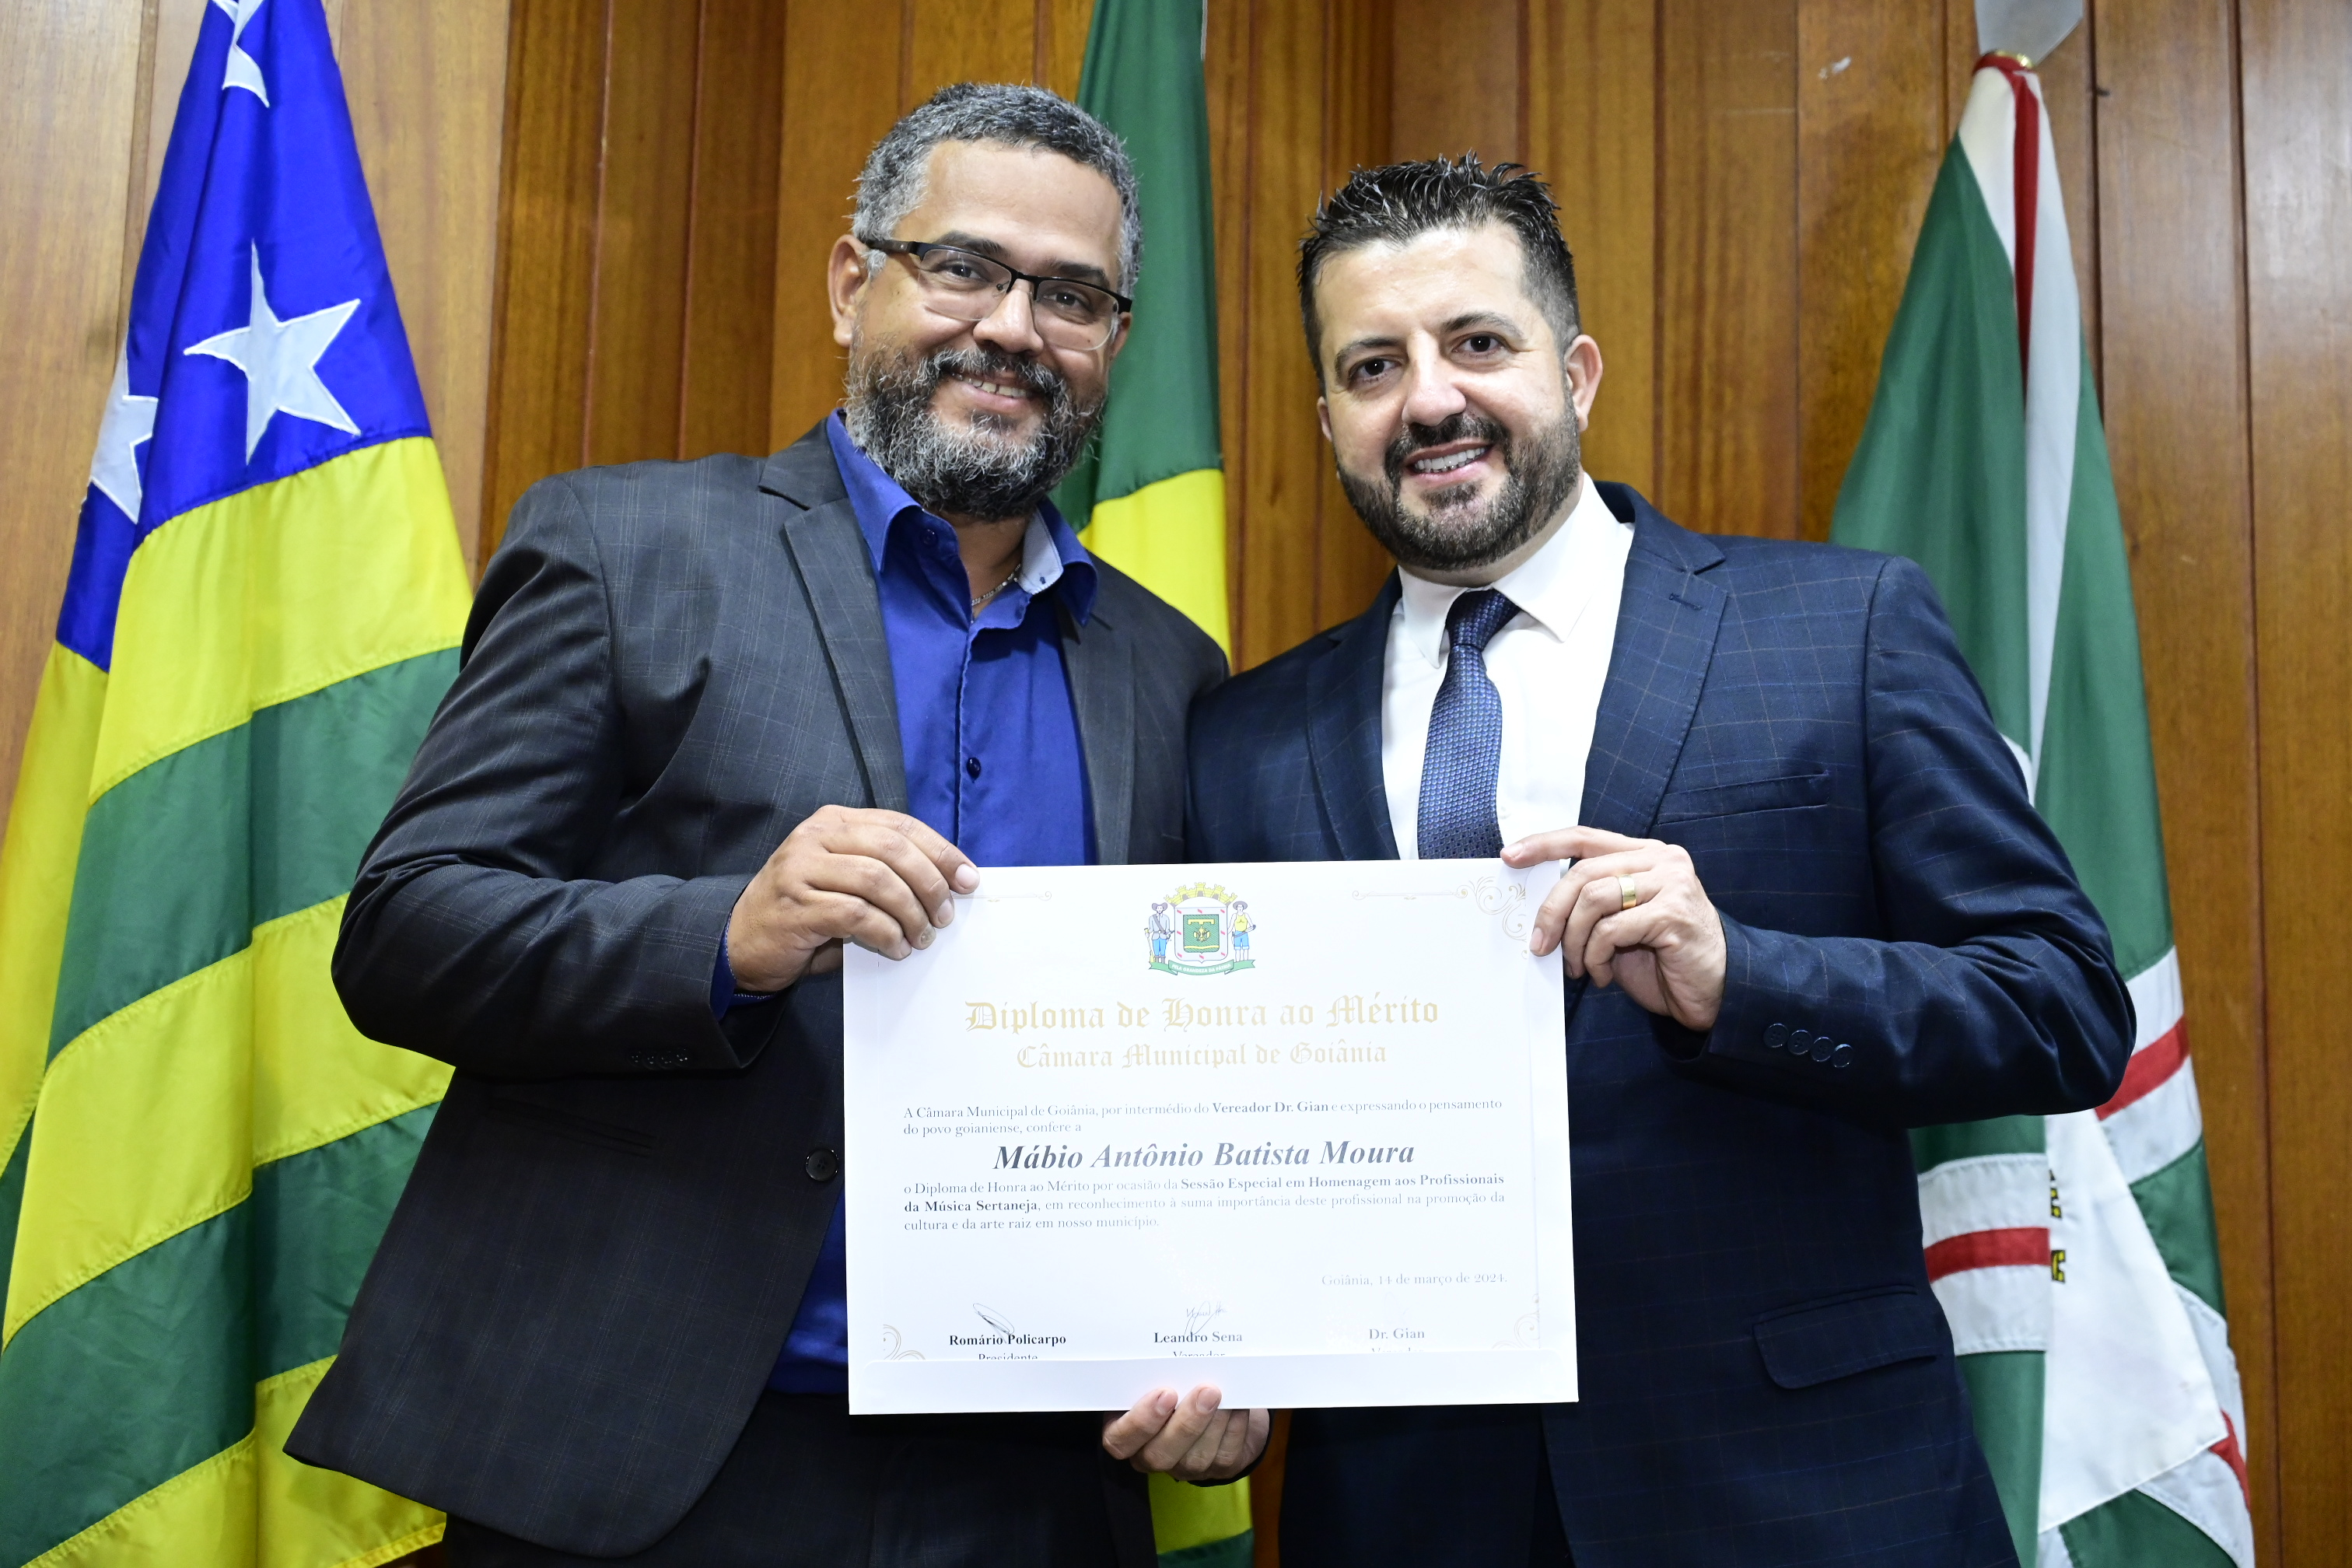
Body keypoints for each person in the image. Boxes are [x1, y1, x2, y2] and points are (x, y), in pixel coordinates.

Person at [290, 84, 1263, 1567]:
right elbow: (407, 933)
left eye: (1071, 295)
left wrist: (1227, 1340)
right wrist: (726, 939)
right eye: (964, 266)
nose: (1014, 327)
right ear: (850, 283)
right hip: (644, 1459)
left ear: (1112, 344)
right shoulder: (625, 548)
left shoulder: (1170, 668)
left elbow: (1198, 1073)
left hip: (1034, 1484)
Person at [1185, 156, 2133, 1568]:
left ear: (1576, 372)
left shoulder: (1844, 629)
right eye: (1373, 365)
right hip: (1409, 1509)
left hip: (1803, 1498)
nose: (1430, 400)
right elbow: (1228, 1120)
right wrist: (1216, 1349)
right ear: (1330, 421)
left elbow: (2062, 1005)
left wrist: (1740, 976)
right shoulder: (1242, 738)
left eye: (1478, 343)